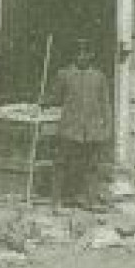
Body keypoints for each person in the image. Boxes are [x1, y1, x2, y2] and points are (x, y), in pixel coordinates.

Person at [49, 38, 113, 207]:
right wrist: (45, 100)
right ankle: (56, 201)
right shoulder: (64, 74)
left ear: (91, 55)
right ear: (73, 55)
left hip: (91, 130)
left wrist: (106, 128)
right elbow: (55, 98)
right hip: (70, 128)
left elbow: (105, 104)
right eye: (78, 53)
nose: (82, 57)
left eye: (86, 53)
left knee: (91, 166)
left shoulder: (99, 77)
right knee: (61, 163)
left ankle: (90, 200)